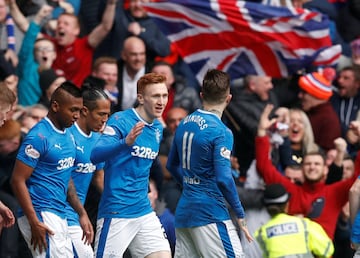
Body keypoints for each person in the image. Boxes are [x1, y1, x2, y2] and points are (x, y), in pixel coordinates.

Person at [166, 69, 253, 257]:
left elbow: (171, 165)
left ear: (201, 95)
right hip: (210, 213)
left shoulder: (184, 122)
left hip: (184, 214)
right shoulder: (221, 131)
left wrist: (191, 187)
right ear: (228, 98)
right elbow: (224, 178)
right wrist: (240, 214)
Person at [90, 73, 171, 257]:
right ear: (141, 98)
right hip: (117, 210)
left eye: (164, 95)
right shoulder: (121, 120)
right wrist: (125, 142)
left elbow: (141, 166)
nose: (161, 101)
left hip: (143, 210)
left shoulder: (157, 128)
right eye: (155, 96)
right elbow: (95, 155)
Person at [10, 82, 94, 257]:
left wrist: (82, 213)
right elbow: (17, 180)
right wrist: (33, 221)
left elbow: (66, 177)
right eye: (73, 110)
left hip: (59, 212)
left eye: (80, 110)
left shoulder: (69, 134)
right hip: (40, 211)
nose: (77, 116)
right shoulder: (38, 137)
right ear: (55, 106)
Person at [256, 104, 360, 239]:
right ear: (302, 168)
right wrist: (262, 132)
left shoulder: (335, 193)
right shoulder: (290, 190)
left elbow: (356, 178)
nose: (312, 167)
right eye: (308, 164)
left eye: (317, 164)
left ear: (325, 169)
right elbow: (264, 167)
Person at [66, 84, 111, 257]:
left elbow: (99, 177)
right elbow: (64, 179)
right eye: (101, 114)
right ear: (85, 111)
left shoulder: (98, 139)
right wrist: (81, 214)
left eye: (107, 114)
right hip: (61, 211)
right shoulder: (68, 135)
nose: (105, 120)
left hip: (77, 214)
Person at [255, 183, 334, 257]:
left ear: (266, 208)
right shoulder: (305, 225)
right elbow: (328, 250)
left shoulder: (260, 233)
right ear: (287, 204)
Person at [298, 71, 342, 152]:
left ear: (316, 94)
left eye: (304, 92)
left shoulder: (328, 120)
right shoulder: (311, 112)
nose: (299, 95)